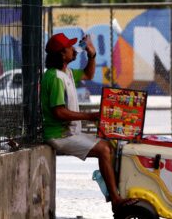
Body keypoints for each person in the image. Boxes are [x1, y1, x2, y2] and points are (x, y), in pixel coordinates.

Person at [41, 33, 137, 213]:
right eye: (69, 48)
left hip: (69, 133)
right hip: (59, 135)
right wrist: (90, 116)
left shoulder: (66, 72)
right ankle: (116, 200)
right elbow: (59, 112)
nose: (74, 50)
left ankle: (117, 193)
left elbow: (88, 73)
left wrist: (91, 54)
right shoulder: (54, 77)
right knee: (103, 149)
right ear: (62, 54)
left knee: (110, 146)